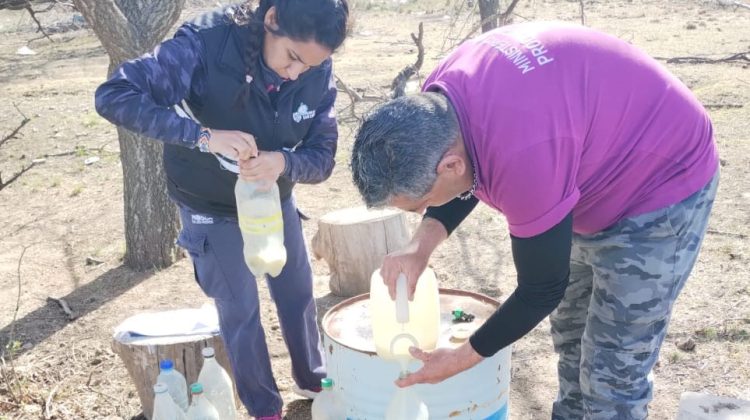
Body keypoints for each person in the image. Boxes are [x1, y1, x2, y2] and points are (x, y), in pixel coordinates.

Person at [351, 21, 718, 419]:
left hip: (661, 181)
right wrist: (419, 245)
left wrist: (461, 358)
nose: (422, 214)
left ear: (450, 163)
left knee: (612, 372)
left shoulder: (524, 155)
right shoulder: (439, 101)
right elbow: (466, 178)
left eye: (419, 204)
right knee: (573, 338)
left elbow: (541, 289)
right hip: (583, 165)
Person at [95, 1, 349, 418]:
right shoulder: (204, 46)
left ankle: (313, 379)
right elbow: (114, 96)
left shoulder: (315, 70)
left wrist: (284, 162)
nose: (294, 74)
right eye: (291, 58)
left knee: (297, 292)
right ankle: (264, 407)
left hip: (272, 199)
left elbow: (323, 156)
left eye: (308, 66)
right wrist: (203, 136)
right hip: (208, 202)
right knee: (240, 309)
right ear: (271, 20)